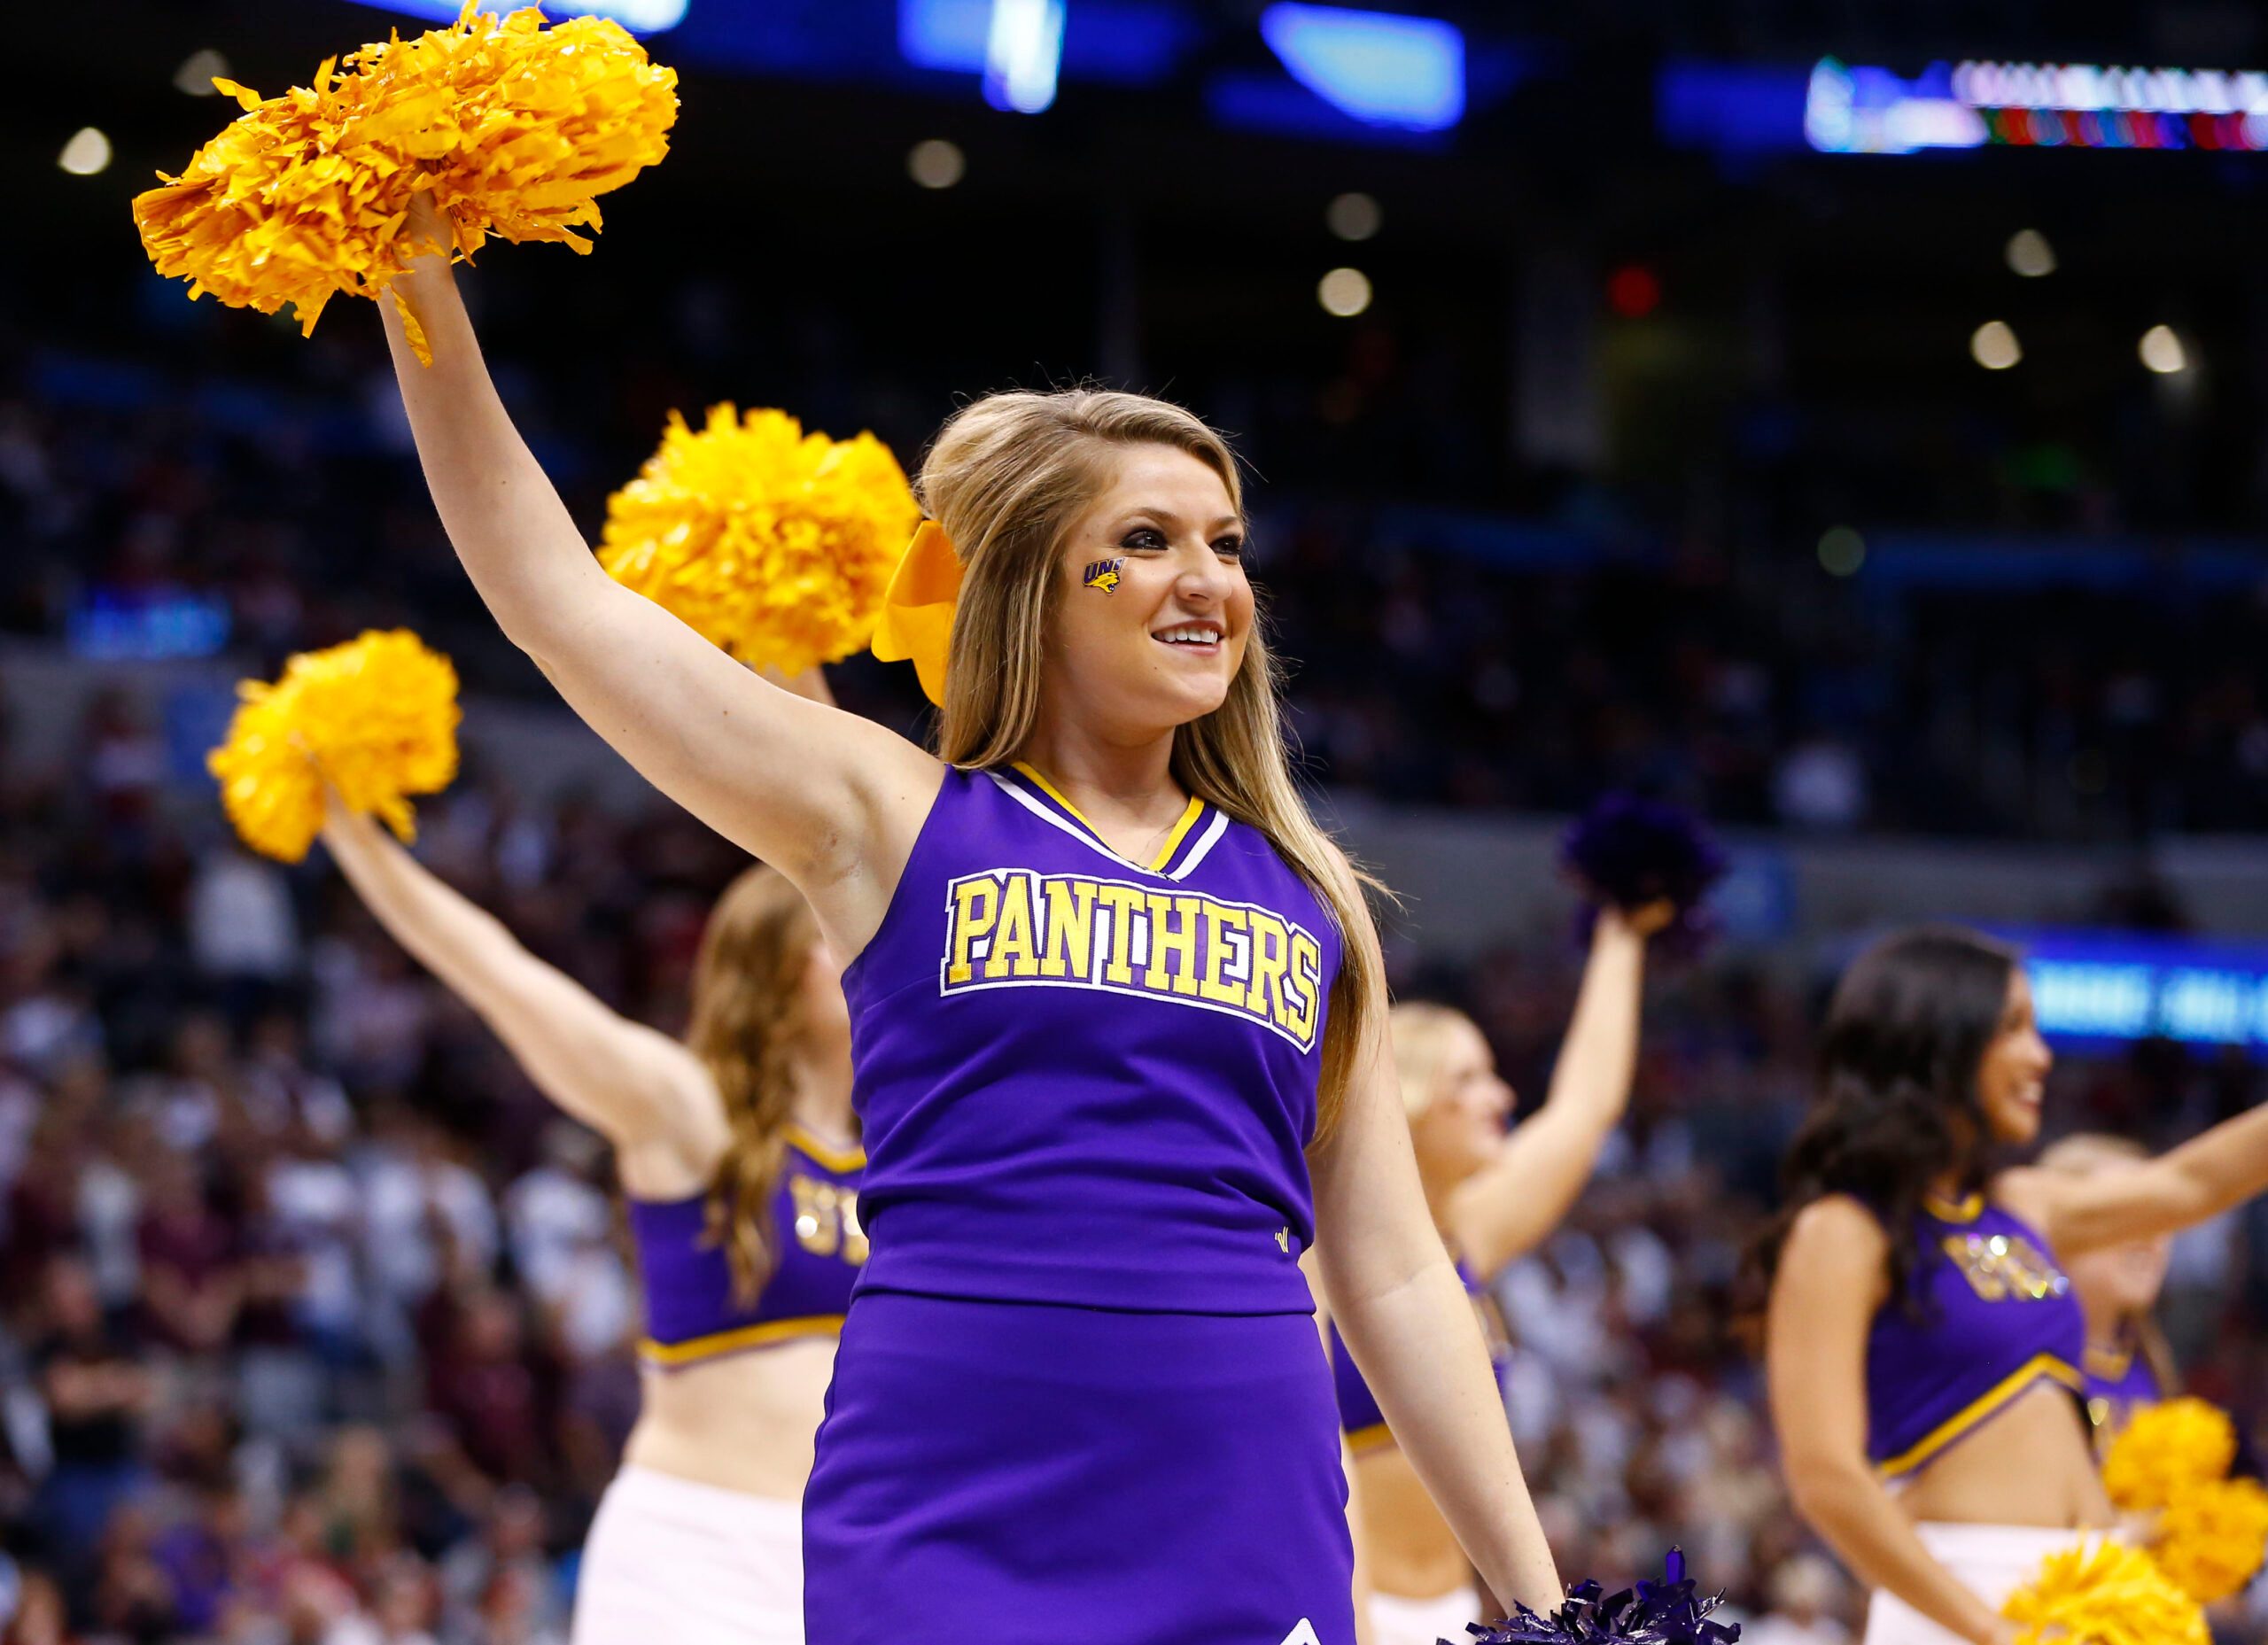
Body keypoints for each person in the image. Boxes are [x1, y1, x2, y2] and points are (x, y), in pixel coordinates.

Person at [374, 192, 1560, 1644]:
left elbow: (1393, 1270)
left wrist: (1548, 1604)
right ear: (1027, 584)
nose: (1207, 580)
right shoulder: (889, 813)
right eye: (1146, 539)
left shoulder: (1311, 894)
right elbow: (554, 597)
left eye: (1228, 542)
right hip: (950, 1491)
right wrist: (411, 272)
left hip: (1247, 1500)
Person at [318, 774, 859, 1645]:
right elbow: (504, 979)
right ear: (774, 970)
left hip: (850, 1558)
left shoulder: (900, 1156)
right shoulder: (695, 1114)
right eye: (837, 939)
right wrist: (357, 842)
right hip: (697, 1553)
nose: (873, 956)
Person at [1751, 927, 2268, 1645]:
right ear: (1940, 1043)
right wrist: (1991, 1628)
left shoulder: (2023, 1204)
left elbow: (2193, 1183)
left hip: (2098, 1587)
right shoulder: (1842, 1230)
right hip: (1964, 1596)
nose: (2042, 1056)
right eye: (2015, 1028)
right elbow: (1825, 1475)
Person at [1335, 903, 1668, 1645]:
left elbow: (1585, 1108)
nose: (1502, 1096)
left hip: (1454, 1610)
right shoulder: (1323, 1248)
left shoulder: (1468, 1231)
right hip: (1350, 1610)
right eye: (1470, 1078)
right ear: (1408, 1099)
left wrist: (1622, 930)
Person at [2036, 1134, 2176, 1445]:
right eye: (2121, 1218)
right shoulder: (2023, 1370)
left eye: (2159, 1217)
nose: (2150, 1239)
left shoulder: (2150, 1367)